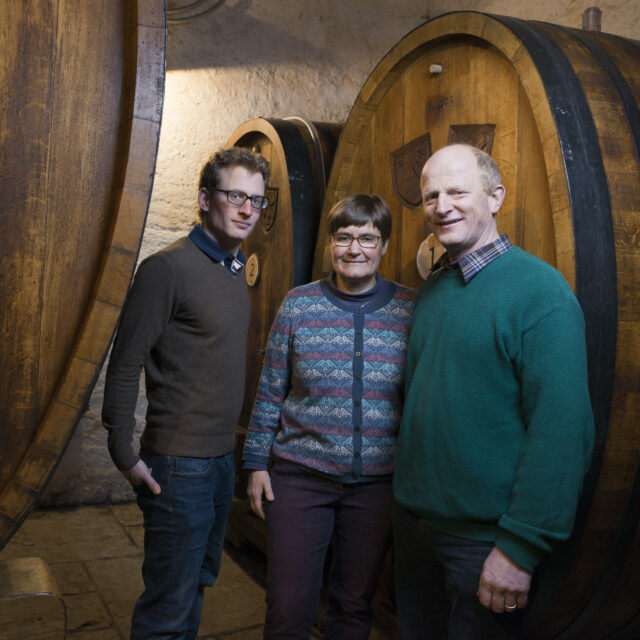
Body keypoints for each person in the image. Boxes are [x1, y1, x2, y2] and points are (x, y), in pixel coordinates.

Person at [392, 143, 595, 639]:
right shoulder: (435, 290)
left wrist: (520, 549)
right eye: (432, 195)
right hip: (415, 529)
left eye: (458, 191)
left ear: (496, 196)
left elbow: (562, 430)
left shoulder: (540, 293)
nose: (442, 206)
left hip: (485, 545)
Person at [102, 147, 270, 639]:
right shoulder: (167, 268)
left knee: (195, 586)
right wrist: (122, 450)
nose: (246, 210)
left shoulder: (231, 269)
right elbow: (126, 359)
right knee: (167, 607)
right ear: (204, 198)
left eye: (257, 201)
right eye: (235, 195)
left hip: (218, 463)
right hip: (178, 465)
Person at [242, 194, 415, 639]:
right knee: (288, 604)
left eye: (367, 238)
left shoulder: (410, 310)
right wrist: (257, 464)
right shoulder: (298, 306)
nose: (355, 249)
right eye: (344, 238)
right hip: (301, 477)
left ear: (384, 246)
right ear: (330, 244)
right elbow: (270, 390)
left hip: (377, 484)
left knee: (355, 604)